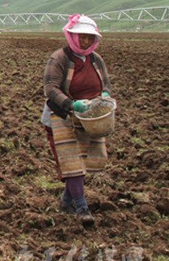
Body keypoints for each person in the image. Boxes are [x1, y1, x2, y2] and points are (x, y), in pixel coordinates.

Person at [41, 14, 114, 226]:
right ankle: (82, 208)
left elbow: (106, 83)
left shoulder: (96, 59)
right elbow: (51, 88)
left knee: (81, 162)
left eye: (90, 38)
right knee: (71, 160)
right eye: (82, 37)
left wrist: (105, 94)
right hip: (62, 116)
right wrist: (72, 104)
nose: (86, 41)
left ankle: (66, 202)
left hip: (90, 118)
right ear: (72, 36)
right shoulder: (59, 58)